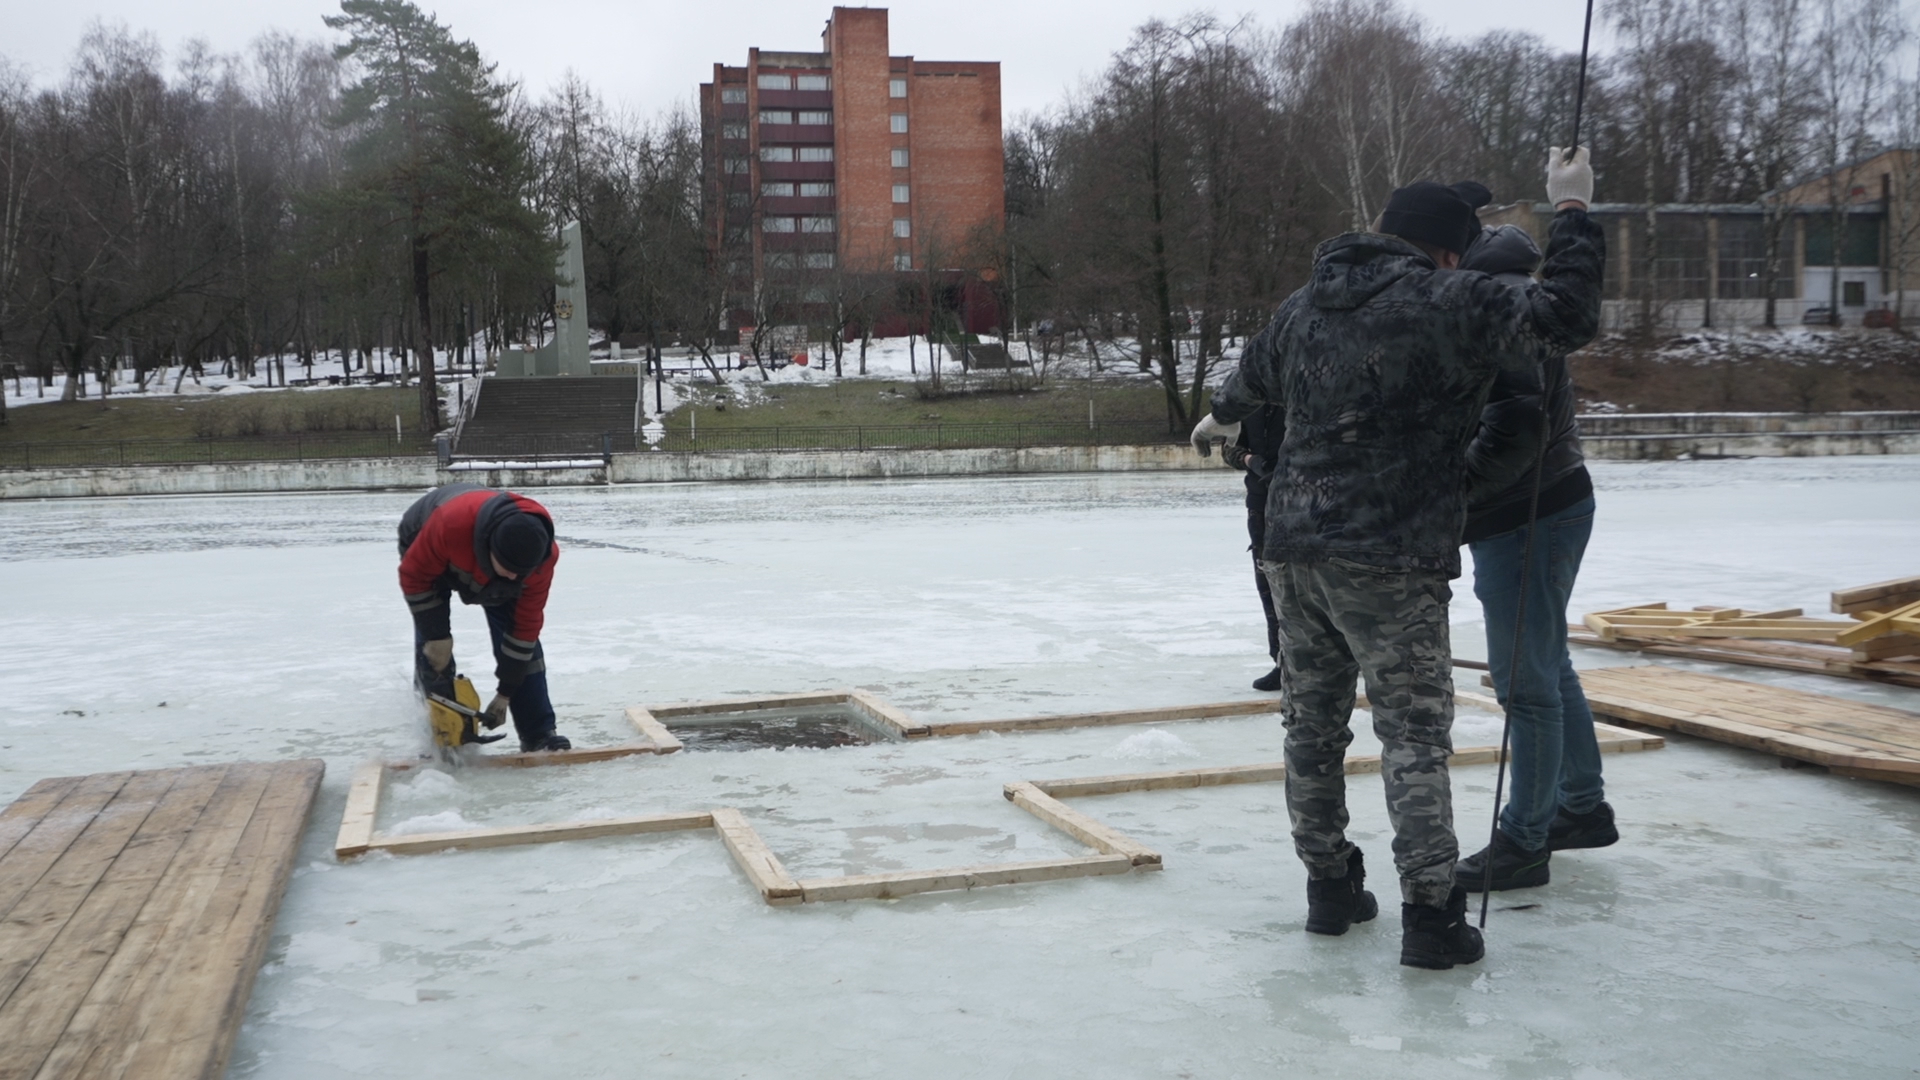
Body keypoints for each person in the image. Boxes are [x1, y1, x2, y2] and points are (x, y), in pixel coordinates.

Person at [1191, 148, 1604, 970]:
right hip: (1391, 554)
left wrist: (1217, 416)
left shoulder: (1305, 304)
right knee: (1413, 735)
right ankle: (1431, 917)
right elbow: (1566, 317)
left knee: (1311, 729)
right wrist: (1573, 214)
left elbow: (1244, 387)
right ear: (1447, 250)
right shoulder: (1449, 296)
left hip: (1293, 548)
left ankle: (1331, 889)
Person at [1451, 224, 1617, 893]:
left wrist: (1450, 492)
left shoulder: (1503, 317)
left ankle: (1524, 840)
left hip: (1527, 514)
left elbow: (1512, 431)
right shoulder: (1526, 305)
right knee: (1548, 666)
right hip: (1552, 503)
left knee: (1525, 684)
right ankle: (1580, 806)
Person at [398, 483, 572, 753]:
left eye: (522, 573)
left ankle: (538, 732)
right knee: (433, 649)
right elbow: (415, 577)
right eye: (510, 569)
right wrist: (436, 635)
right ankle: (441, 736)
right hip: (426, 537)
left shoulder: (541, 559)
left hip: (475, 547)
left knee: (520, 642)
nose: (515, 577)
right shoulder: (449, 526)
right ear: (491, 549)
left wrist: (505, 693)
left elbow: (525, 627)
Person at [1221, 404, 1286, 691]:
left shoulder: (1305, 392)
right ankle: (1282, 661)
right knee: (1268, 586)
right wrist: (1250, 459)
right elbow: (1229, 447)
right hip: (1260, 505)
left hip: (1310, 505)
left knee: (1314, 586)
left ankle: (1340, 657)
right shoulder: (1250, 404)